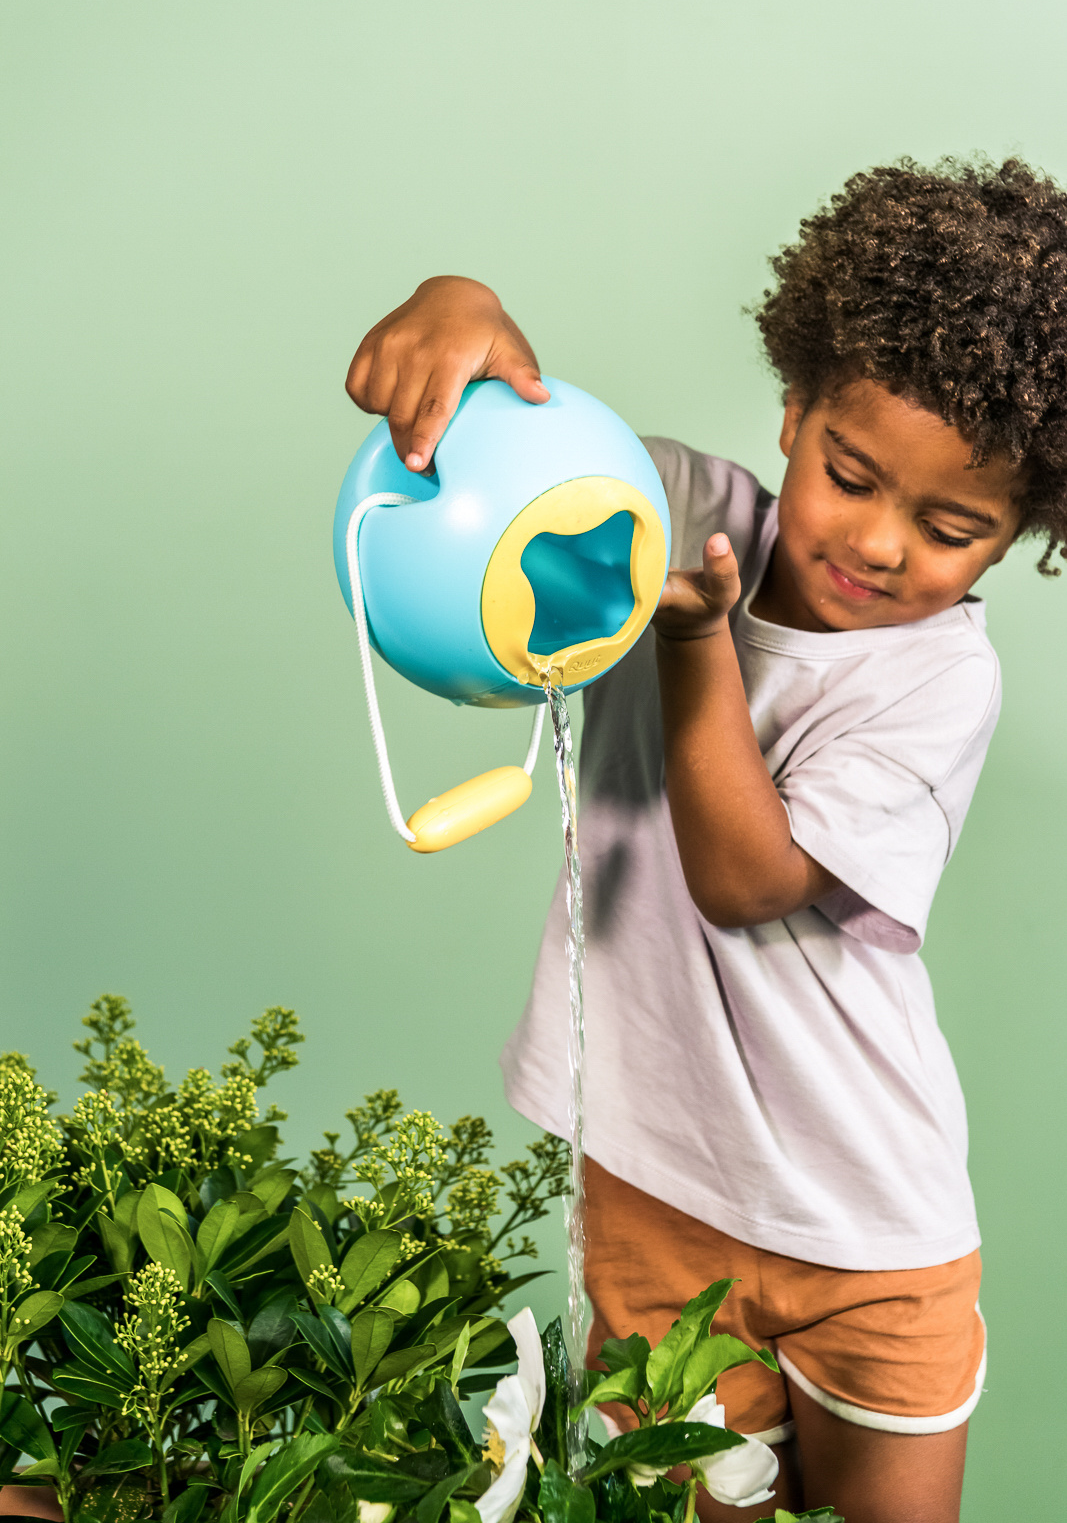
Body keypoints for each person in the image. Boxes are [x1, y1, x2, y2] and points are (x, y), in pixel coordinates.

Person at [345, 159, 1067, 1523]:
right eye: (850, 476)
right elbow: (535, 476)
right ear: (794, 410)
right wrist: (464, 306)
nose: (879, 543)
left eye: (950, 527)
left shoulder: (936, 682)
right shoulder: (676, 509)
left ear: (1021, 536)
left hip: (865, 1222)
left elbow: (745, 879)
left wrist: (693, 642)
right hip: (655, 1188)